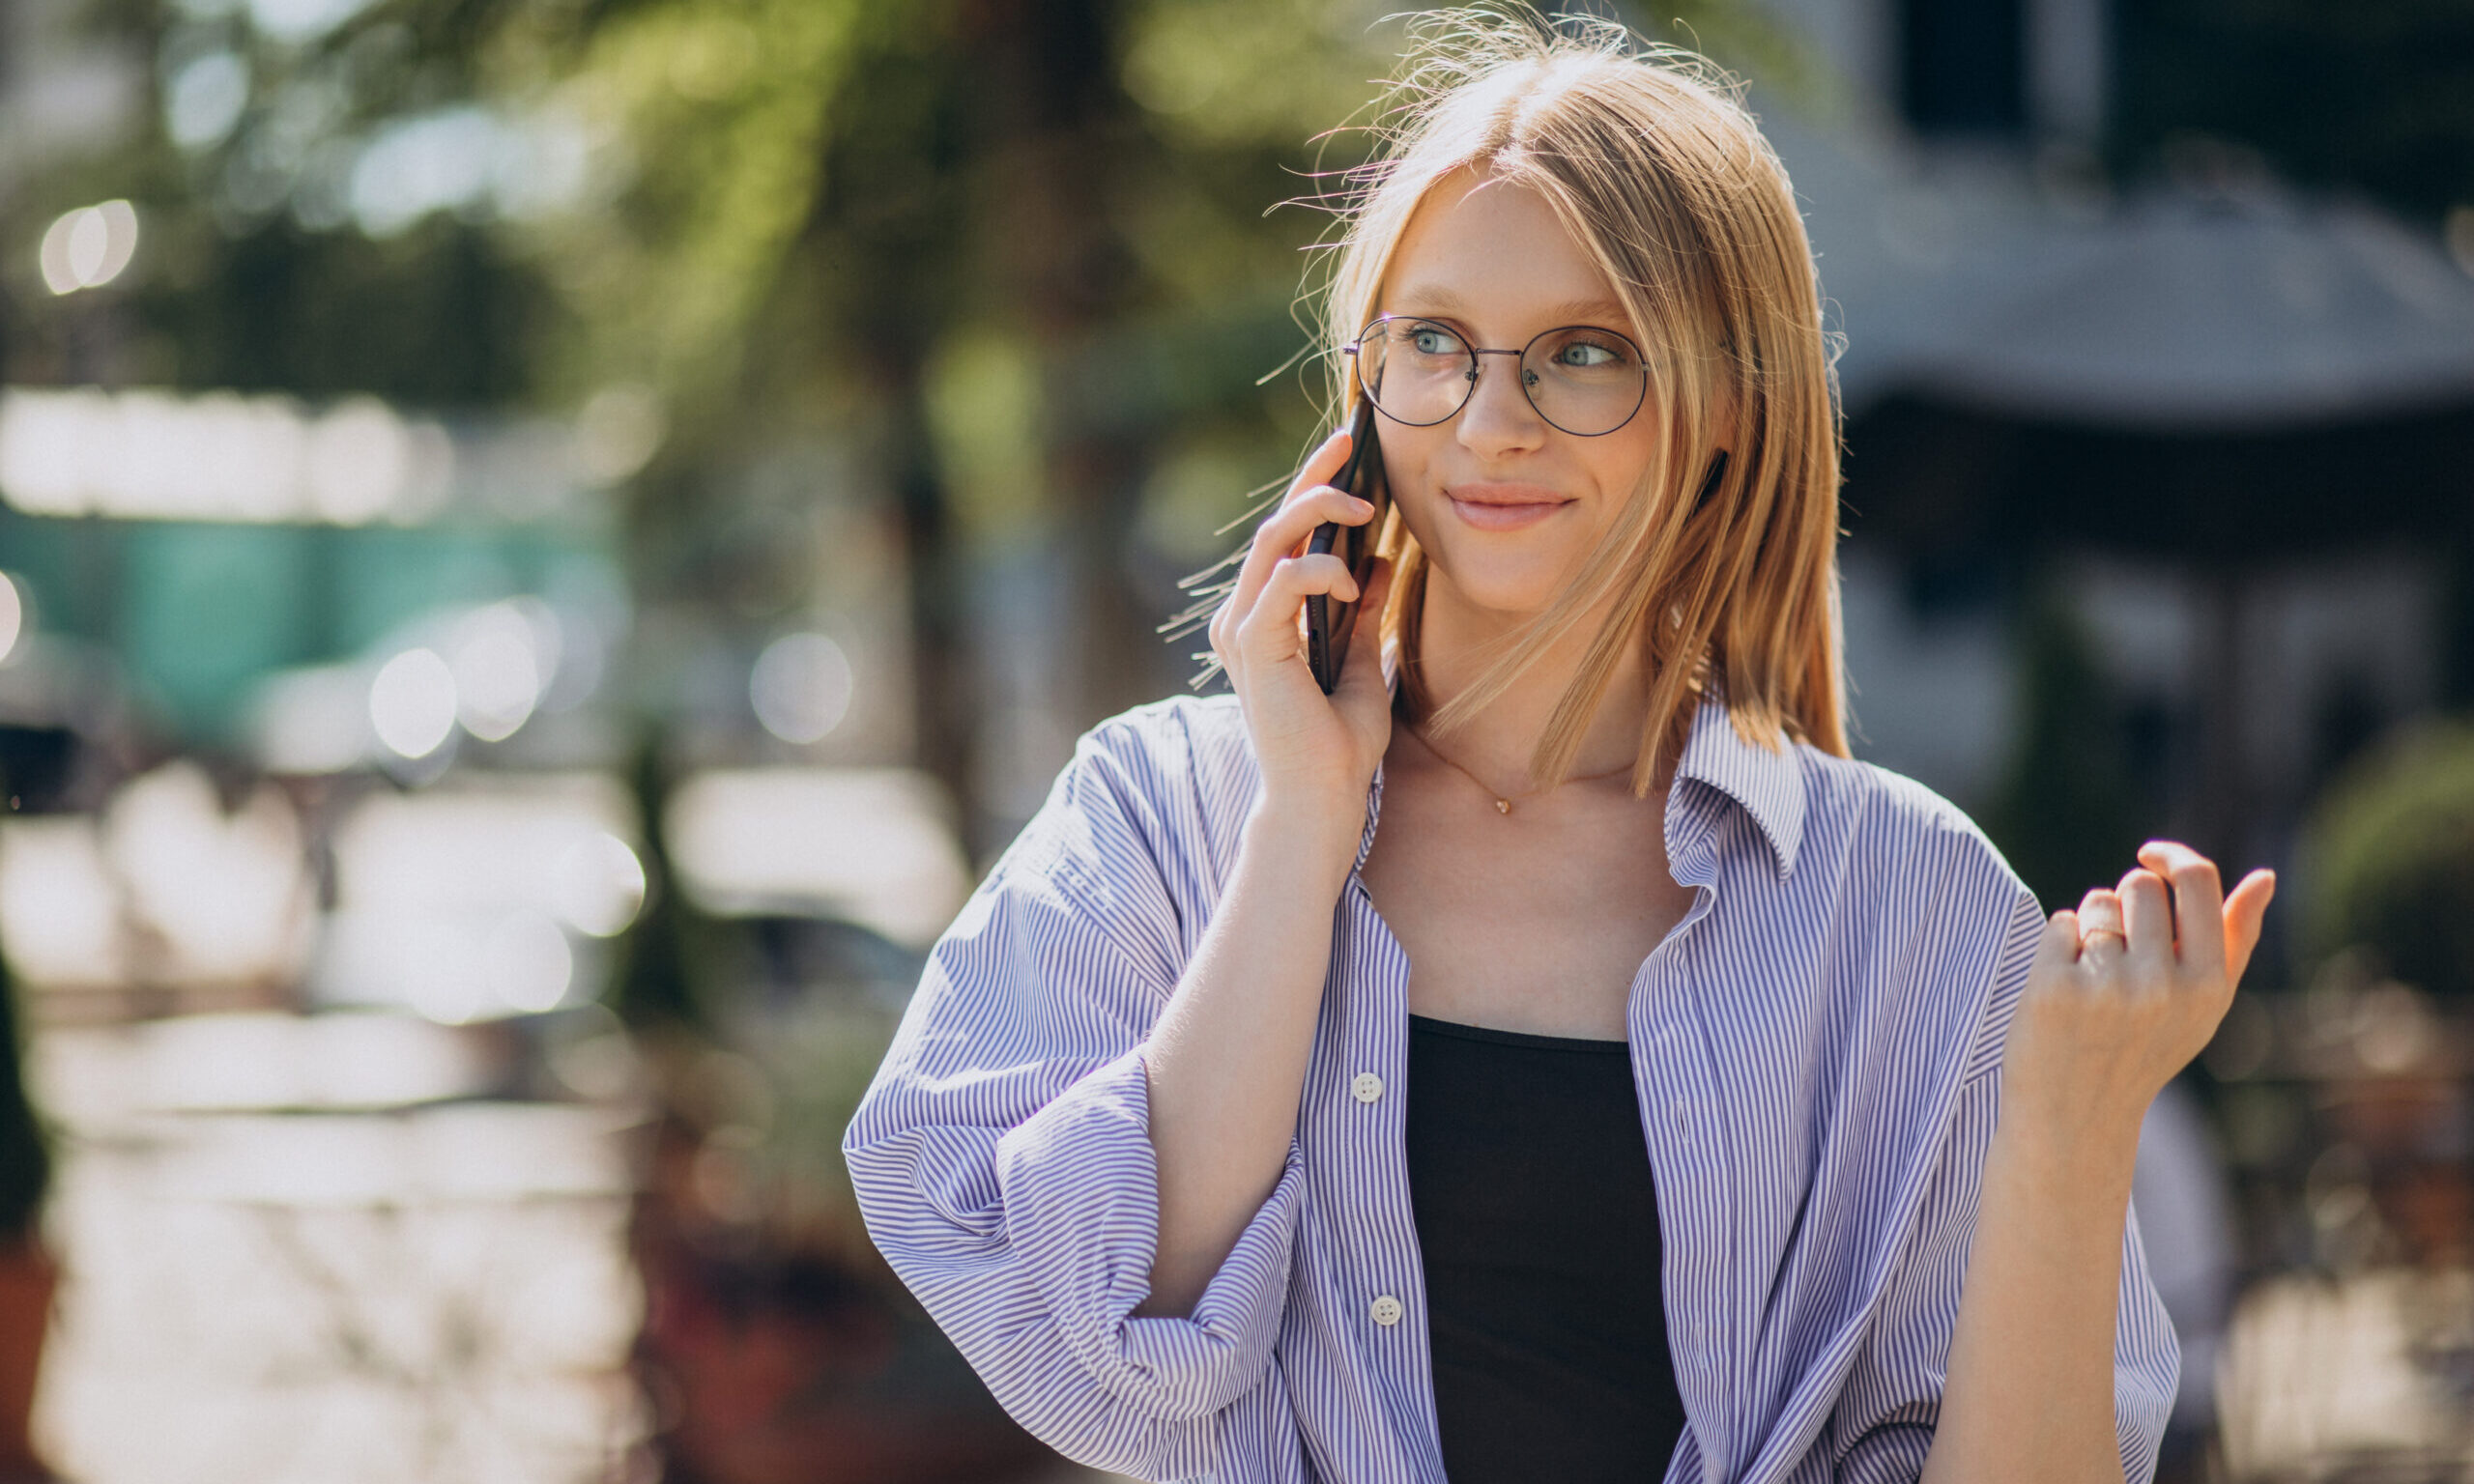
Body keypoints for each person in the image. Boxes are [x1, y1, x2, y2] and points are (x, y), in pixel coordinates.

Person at [842, 12, 2276, 1483]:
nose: (1492, 419)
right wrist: (1302, 828)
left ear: (1725, 404)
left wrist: (2073, 1130)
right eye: (1434, 344)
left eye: (1585, 354)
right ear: (1361, 387)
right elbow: (1111, 1334)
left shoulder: (1912, 909)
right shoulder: (1161, 814)